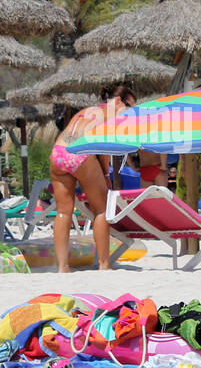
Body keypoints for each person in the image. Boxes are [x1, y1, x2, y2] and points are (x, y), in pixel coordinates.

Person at [49, 83, 137, 273]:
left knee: (63, 211)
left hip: (58, 152)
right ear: (119, 101)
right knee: (102, 210)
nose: (130, 113)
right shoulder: (112, 117)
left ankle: (62, 266)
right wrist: (107, 176)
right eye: (130, 107)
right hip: (81, 154)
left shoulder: (87, 111)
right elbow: (103, 150)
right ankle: (104, 264)